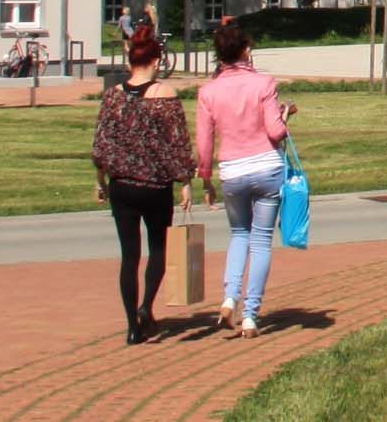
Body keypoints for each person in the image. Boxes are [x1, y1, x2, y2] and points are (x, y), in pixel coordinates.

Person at [91, 24, 193, 344]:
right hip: (156, 186)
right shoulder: (165, 95)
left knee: (129, 256)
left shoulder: (113, 97)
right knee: (159, 248)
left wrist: (101, 181)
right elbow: (178, 143)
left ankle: (132, 327)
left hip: (123, 185)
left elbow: (101, 145)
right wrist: (186, 181)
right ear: (157, 61)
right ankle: (146, 306)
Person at [196, 23, 296, 338]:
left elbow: (204, 141)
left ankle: (229, 297)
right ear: (245, 51)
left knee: (239, 234)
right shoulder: (263, 84)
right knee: (261, 239)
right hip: (266, 165)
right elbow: (275, 131)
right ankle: (251, 314)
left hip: (233, 170)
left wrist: (205, 177)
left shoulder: (208, 92)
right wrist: (284, 115)